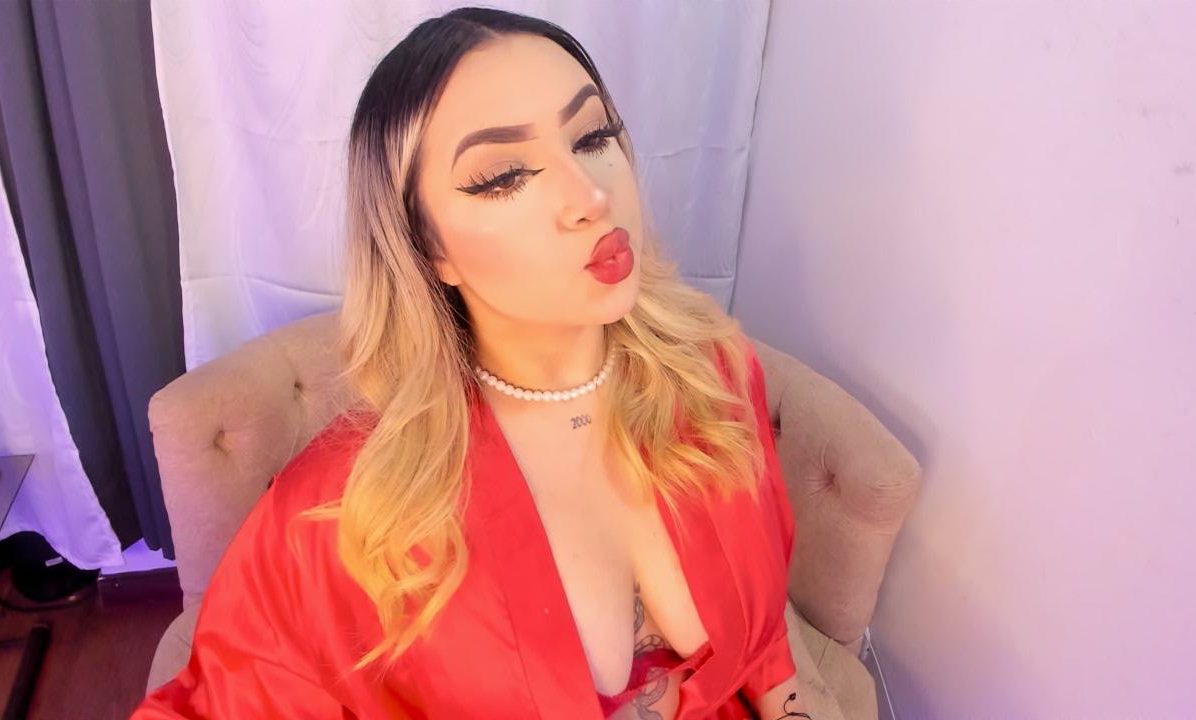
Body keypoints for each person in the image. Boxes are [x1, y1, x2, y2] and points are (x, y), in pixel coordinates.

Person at [133, 6, 814, 719]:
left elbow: (765, 638)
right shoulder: (345, 515)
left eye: (593, 136)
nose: (591, 197)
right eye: (504, 176)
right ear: (429, 248)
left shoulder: (712, 377)